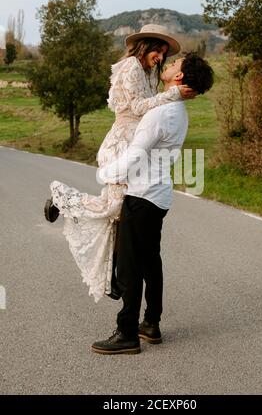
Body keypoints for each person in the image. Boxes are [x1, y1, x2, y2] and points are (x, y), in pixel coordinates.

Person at [44, 25, 197, 303]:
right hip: (122, 144)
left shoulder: (149, 72)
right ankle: (60, 198)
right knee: (115, 208)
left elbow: (150, 107)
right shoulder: (130, 67)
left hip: (136, 141)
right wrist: (173, 95)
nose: (161, 55)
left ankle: (113, 278)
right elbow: (138, 107)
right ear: (145, 45)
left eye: (164, 52)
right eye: (158, 49)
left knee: (119, 216)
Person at [91, 52, 214, 355]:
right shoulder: (176, 111)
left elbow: (135, 154)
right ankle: (151, 324)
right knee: (150, 261)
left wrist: (105, 173)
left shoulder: (161, 113)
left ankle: (126, 334)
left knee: (129, 267)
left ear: (180, 77)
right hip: (158, 196)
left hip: (142, 195)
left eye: (174, 64)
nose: (168, 65)